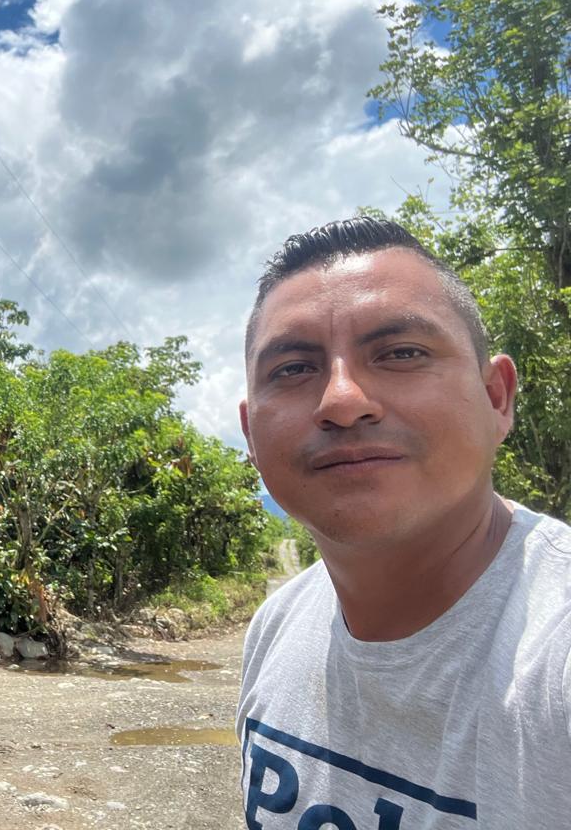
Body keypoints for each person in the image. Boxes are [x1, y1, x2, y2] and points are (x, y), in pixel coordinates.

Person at [237, 216, 571, 829]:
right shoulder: (275, 628)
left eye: (401, 353)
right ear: (250, 435)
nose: (342, 401)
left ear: (496, 397)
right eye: (293, 369)